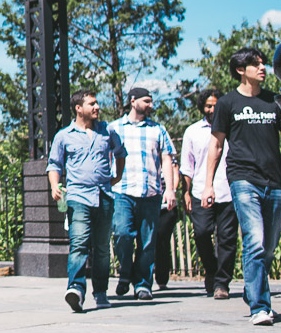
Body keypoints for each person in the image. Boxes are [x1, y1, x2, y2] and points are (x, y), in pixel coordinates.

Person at [203, 47, 281, 326]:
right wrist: (208, 185)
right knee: (255, 240)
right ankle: (260, 306)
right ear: (241, 70)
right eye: (257, 64)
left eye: (264, 64)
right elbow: (216, 144)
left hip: (274, 182)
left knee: (269, 247)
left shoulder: (275, 102)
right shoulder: (227, 103)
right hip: (242, 179)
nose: (263, 68)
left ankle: (252, 291)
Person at [48, 90, 126, 312]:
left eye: (97, 103)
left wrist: (117, 176)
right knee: (79, 243)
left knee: (102, 248)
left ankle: (100, 292)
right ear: (78, 108)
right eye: (92, 103)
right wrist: (55, 185)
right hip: (78, 197)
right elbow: (54, 164)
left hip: (104, 196)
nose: (97, 107)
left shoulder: (107, 132)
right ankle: (76, 289)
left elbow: (121, 152)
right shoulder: (64, 136)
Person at [108, 87, 177, 301]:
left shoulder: (158, 129)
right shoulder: (114, 128)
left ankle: (143, 284)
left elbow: (167, 159)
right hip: (122, 191)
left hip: (151, 192)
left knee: (148, 242)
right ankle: (126, 271)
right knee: (122, 234)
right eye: (146, 101)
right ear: (133, 101)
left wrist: (171, 189)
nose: (150, 105)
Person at [180, 88, 235, 299]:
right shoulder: (193, 131)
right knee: (202, 233)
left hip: (228, 190)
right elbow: (187, 166)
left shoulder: (232, 128)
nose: (212, 109)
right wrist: (185, 193)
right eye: (208, 106)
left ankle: (222, 283)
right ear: (202, 107)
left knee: (227, 238)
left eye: (216, 105)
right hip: (201, 190)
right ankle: (211, 269)